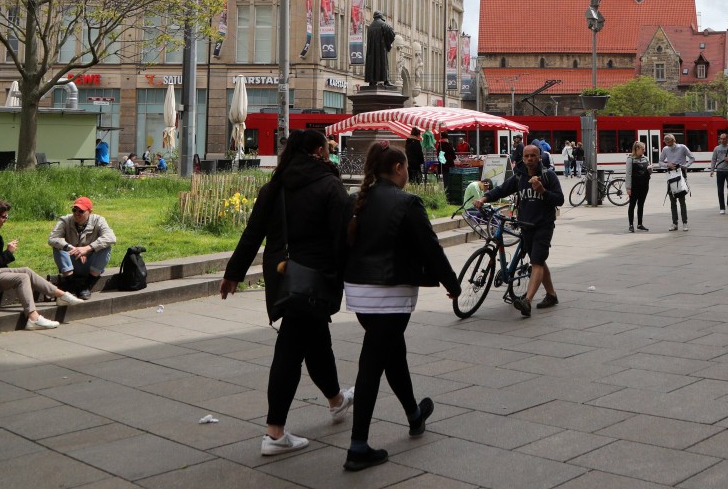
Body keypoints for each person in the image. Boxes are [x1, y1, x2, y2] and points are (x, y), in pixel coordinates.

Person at [219, 129, 354, 457]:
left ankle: (336, 400)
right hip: (315, 279)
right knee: (291, 350)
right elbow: (343, 239)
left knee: (317, 341)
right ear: (320, 151)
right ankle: (275, 433)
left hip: (283, 277)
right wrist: (352, 277)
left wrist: (233, 274)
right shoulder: (330, 186)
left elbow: (253, 235)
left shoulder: (274, 188)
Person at [341, 142, 460, 471]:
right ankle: (357, 446)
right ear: (397, 169)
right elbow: (430, 248)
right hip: (390, 294)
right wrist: (452, 284)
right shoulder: (407, 202)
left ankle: (414, 415)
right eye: (406, 167)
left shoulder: (356, 200)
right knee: (372, 365)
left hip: (359, 294)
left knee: (393, 354)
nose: (408, 173)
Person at [0, 198, 81, 328]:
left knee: (26, 270)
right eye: (3, 216)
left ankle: (61, 295)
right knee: (22, 278)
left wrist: (5, 254)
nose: (6, 219)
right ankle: (33, 317)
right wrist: (8, 253)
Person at [480, 145, 563, 316]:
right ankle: (551, 295)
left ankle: (527, 301)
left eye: (533, 155)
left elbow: (560, 199)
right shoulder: (519, 176)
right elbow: (501, 189)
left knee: (537, 262)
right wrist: (484, 197)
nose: (530, 159)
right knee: (538, 259)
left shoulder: (548, 175)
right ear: (523, 158)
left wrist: (543, 191)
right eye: (527, 156)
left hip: (543, 225)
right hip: (525, 225)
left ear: (539, 157)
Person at [48, 197, 116, 300]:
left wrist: (88, 248)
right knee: (57, 246)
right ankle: (72, 283)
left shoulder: (99, 220)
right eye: (74, 210)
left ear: (90, 212)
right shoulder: (65, 220)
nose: (76, 213)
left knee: (106, 247)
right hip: (72, 262)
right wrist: (72, 248)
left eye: (81, 211)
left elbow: (111, 237)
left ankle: (87, 285)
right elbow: (52, 239)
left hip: (90, 264)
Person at [659, 134, 695, 231]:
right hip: (671, 175)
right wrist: (668, 165)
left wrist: (686, 165)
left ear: (673, 140)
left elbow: (692, 157)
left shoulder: (682, 147)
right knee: (672, 201)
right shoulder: (665, 149)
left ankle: (685, 222)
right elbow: (660, 162)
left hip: (681, 175)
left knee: (682, 200)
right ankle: (674, 223)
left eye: (669, 141)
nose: (667, 143)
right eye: (666, 142)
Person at [624, 141, 651, 233]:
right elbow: (628, 174)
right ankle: (631, 225)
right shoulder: (630, 159)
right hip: (634, 186)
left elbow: (649, 173)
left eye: (644, 149)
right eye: (642, 149)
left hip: (644, 186)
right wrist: (628, 188)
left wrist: (650, 169)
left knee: (641, 205)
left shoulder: (646, 159)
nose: (644, 151)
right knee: (632, 205)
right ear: (636, 149)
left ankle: (640, 224)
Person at [364, 11, 396, 88]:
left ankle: (372, 81)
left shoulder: (370, 26)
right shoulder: (383, 24)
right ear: (381, 17)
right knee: (383, 63)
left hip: (371, 51)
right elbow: (392, 34)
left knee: (372, 64)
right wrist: (388, 44)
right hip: (381, 49)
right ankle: (386, 81)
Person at [711, 132, 728, 215]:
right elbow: (713, 159)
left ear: (727, 139)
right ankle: (722, 207)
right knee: (720, 190)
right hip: (720, 171)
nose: (722, 140)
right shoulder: (717, 148)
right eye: (721, 138)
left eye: (723, 139)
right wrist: (712, 170)